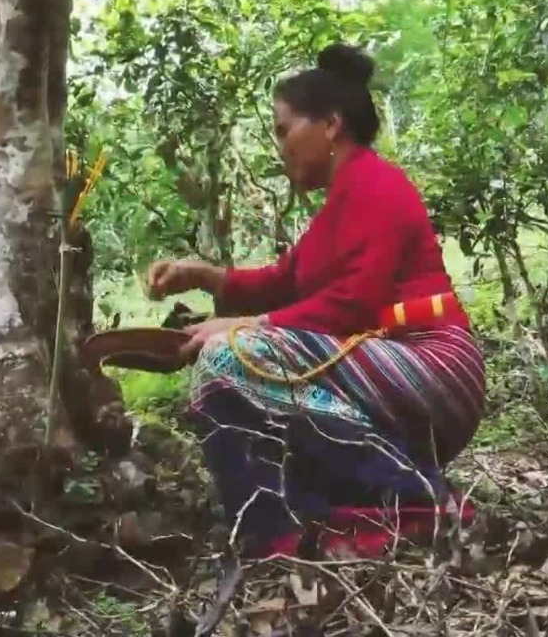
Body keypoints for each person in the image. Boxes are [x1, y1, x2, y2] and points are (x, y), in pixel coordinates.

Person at [146, 43, 486, 560]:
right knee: (232, 366)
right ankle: (290, 526)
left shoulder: (374, 185)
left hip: (432, 363)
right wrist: (203, 276)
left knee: (228, 357)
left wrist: (239, 327)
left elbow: (351, 305)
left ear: (330, 124)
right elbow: (283, 280)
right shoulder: (340, 203)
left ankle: (415, 496)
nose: (280, 147)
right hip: (388, 369)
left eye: (284, 130)